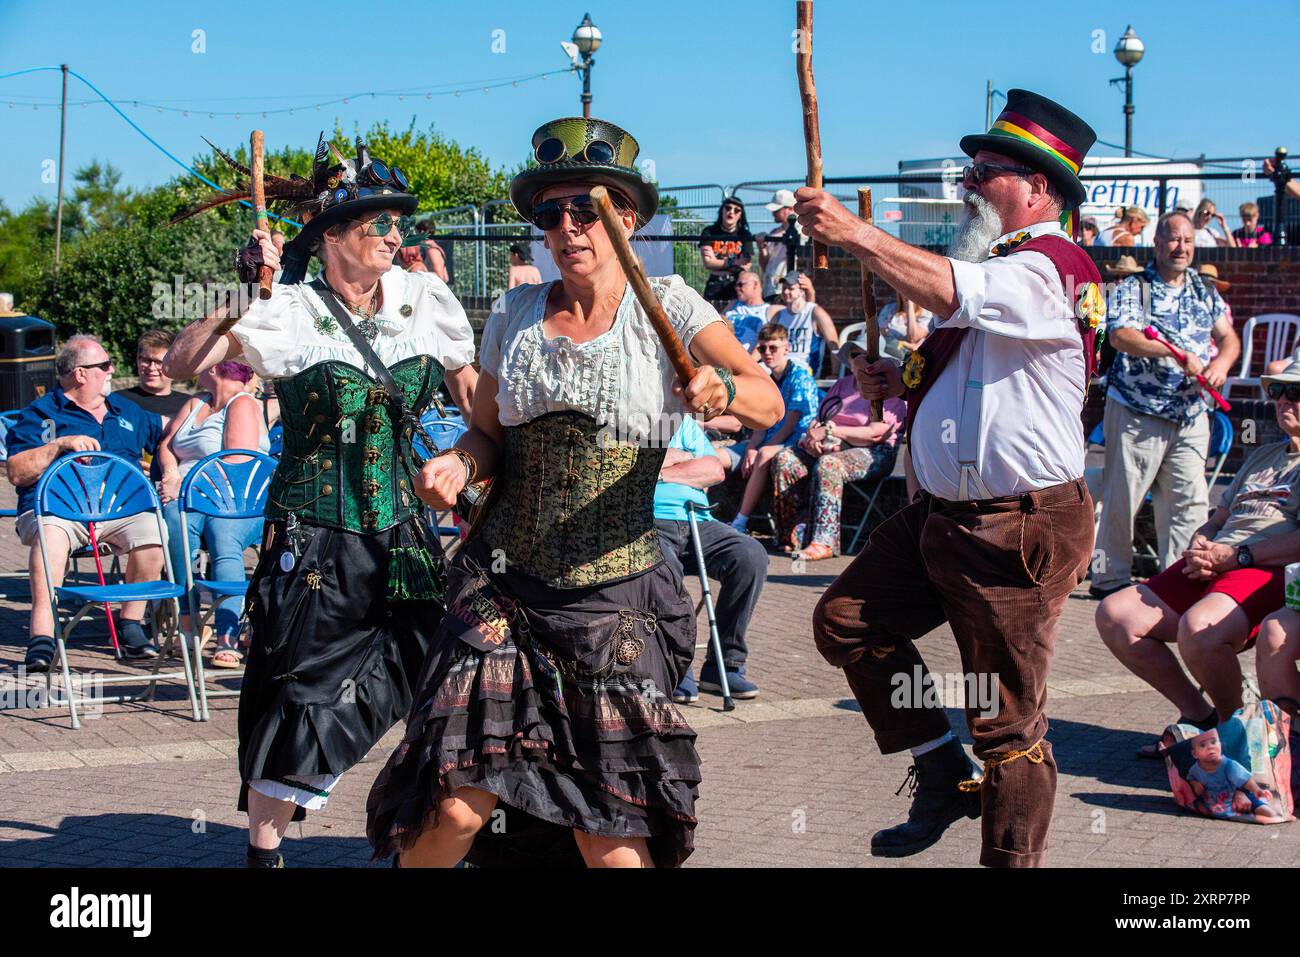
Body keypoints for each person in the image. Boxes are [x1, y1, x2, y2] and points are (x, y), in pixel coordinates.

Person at [364, 116, 782, 869]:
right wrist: (458, 463)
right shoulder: (516, 315)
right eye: (550, 214)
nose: (566, 226)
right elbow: (486, 433)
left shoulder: (673, 309)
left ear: (627, 218)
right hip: (505, 587)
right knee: (455, 805)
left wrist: (719, 389)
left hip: (611, 598)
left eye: (585, 210)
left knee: (609, 832)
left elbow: (765, 401)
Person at [797, 89, 1104, 866]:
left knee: (1006, 726)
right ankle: (940, 775)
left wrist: (855, 234)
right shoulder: (998, 270)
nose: (970, 183)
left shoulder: (1051, 267)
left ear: (1039, 187)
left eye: (987, 171)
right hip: (945, 515)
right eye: (971, 169)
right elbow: (959, 365)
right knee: (846, 622)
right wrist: (895, 383)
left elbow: (956, 291)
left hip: (1019, 526)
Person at [163, 134, 478, 868]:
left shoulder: (423, 298)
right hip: (313, 539)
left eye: (399, 222)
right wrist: (245, 290)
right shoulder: (289, 309)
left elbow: (472, 394)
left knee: (439, 674)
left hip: (405, 536)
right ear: (332, 236)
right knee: (300, 692)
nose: (395, 235)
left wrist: (475, 461)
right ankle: (265, 850)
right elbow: (184, 363)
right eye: (379, 223)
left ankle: (428, 832)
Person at [1097, 360, 1300, 749]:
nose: (1282, 401)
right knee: (1115, 615)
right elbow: (1219, 515)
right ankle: (1199, 715)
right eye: (1277, 392)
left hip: (1262, 566)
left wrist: (1237, 556)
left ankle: (1236, 732)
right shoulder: (1262, 456)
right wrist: (1201, 540)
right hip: (1220, 558)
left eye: (1295, 392)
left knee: (1199, 629)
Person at [1091, 212, 1241, 599]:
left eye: (1188, 241)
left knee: (1189, 504)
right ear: (1157, 244)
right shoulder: (1133, 288)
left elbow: (1228, 338)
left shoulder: (1205, 290)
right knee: (1122, 502)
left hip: (1191, 414)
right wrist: (1174, 354)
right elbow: (1123, 337)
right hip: (1138, 412)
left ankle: (1180, 582)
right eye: (1174, 240)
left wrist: (1221, 363)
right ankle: (1110, 582)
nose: (1182, 248)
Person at [8, 335, 166, 671]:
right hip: (55, 512)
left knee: (153, 530)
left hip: (118, 512)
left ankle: (131, 625)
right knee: (50, 534)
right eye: (106, 365)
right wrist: (58, 446)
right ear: (81, 374)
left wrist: (172, 466)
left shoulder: (126, 411)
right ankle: (42, 636)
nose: (112, 371)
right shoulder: (41, 414)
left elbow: (169, 437)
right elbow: (16, 472)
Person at [155, 359, 270, 668]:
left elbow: (236, 461)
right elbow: (166, 445)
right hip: (187, 495)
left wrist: (186, 485)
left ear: (216, 367)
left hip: (236, 501)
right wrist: (170, 474)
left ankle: (228, 635)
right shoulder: (196, 402)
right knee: (174, 527)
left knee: (223, 538)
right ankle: (190, 622)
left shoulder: (242, 404)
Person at [654, 415, 767, 702]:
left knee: (750, 555)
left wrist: (658, 468)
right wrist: (685, 462)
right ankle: (676, 668)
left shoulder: (682, 422)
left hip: (698, 519)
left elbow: (714, 469)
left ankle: (724, 666)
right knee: (660, 566)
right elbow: (621, 463)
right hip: (648, 521)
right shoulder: (626, 420)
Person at [772, 341, 906, 560]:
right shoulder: (842, 385)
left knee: (830, 465)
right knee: (786, 459)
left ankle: (824, 542)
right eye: (853, 354)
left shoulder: (888, 387)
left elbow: (876, 433)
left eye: (862, 353)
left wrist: (831, 431)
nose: (857, 359)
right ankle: (792, 534)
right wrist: (812, 437)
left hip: (875, 453)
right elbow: (821, 416)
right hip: (830, 444)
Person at [730, 322, 820, 537]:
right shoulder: (767, 380)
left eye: (773, 348)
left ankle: (740, 521)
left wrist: (762, 448)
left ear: (786, 348)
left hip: (796, 440)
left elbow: (790, 424)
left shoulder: (800, 376)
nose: (767, 353)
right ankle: (701, 520)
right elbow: (762, 423)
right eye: (762, 349)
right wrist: (751, 447)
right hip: (770, 438)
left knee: (762, 455)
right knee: (715, 456)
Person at [115, 329, 191, 426]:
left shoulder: (188, 405)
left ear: (174, 364)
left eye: (159, 362)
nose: (151, 367)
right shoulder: (117, 401)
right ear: (138, 360)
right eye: (146, 360)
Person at [771, 270, 840, 375]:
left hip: (804, 369)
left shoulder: (815, 312)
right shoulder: (778, 315)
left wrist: (835, 374)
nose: (785, 292)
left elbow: (834, 345)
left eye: (791, 288)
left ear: (801, 291)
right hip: (779, 366)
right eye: (784, 288)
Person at [698, 197, 754, 306]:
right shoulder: (709, 232)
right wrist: (734, 262)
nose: (731, 212)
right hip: (714, 283)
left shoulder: (744, 234)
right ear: (721, 210)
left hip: (737, 285)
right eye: (728, 208)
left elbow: (745, 265)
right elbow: (708, 263)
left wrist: (718, 264)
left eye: (736, 210)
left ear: (740, 214)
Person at [758, 188, 804, 299]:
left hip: (787, 290)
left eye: (777, 210)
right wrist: (762, 248)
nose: (773, 213)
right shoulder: (774, 233)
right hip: (770, 289)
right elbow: (765, 266)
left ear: (791, 209)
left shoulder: (803, 232)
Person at [724, 269, 777, 353]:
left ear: (755, 285)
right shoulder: (733, 304)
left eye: (741, 284)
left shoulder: (768, 310)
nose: (737, 288)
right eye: (736, 285)